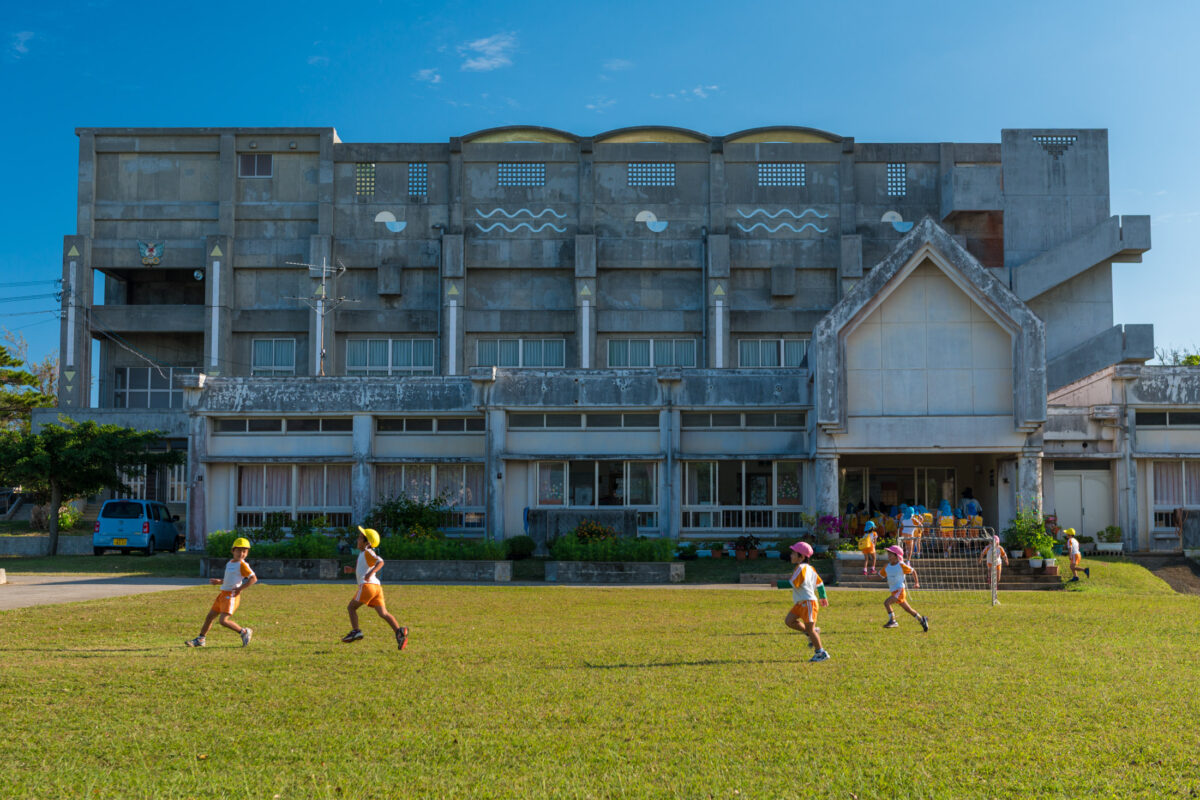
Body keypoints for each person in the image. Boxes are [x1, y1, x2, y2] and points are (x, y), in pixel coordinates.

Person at [342, 525, 409, 650]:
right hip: (377, 588)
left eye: (360, 538)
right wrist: (352, 570)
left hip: (368, 586)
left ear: (367, 542)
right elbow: (364, 569)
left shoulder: (368, 551)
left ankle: (356, 631)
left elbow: (381, 562)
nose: (357, 539)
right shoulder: (364, 553)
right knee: (383, 613)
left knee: (351, 608)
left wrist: (370, 573)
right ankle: (399, 632)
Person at [186, 536, 256, 648]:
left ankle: (244, 632)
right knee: (209, 617)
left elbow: (253, 579)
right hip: (222, 594)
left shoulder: (243, 565)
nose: (241, 553)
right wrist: (220, 581)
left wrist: (239, 589)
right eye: (238, 550)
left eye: (244, 551)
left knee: (223, 621)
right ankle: (200, 639)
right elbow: (231, 579)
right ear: (233, 551)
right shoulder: (230, 563)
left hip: (231, 596)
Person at [777, 541, 830, 663]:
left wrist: (777, 583)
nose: (791, 555)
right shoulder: (810, 568)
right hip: (801, 603)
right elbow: (820, 584)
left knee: (810, 629)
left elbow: (793, 583)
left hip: (808, 603)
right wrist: (823, 596)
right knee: (789, 621)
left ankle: (821, 653)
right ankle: (811, 632)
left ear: (801, 556)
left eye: (793, 553)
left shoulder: (801, 568)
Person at [875, 545, 929, 632]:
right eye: (888, 554)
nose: (888, 556)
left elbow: (913, 571)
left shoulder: (901, 565)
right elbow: (880, 575)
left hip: (900, 590)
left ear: (897, 556)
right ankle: (922, 619)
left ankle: (893, 621)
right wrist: (870, 577)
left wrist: (917, 583)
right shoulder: (887, 566)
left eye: (891, 554)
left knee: (887, 603)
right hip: (894, 591)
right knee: (908, 609)